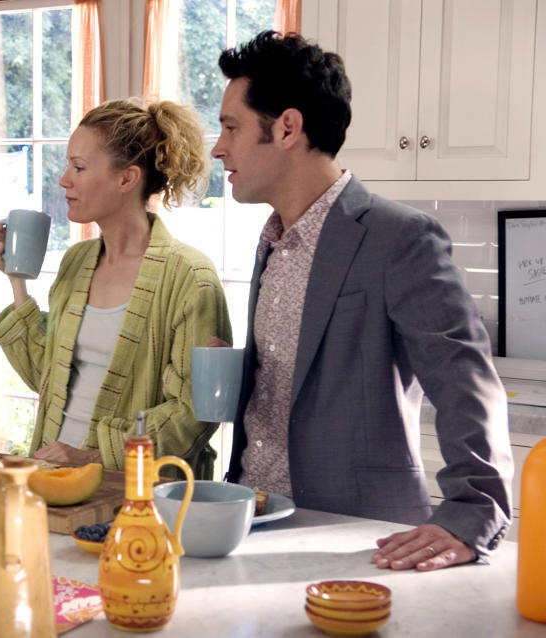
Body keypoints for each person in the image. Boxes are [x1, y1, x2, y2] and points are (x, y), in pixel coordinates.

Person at [211, 31, 512, 571]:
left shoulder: (401, 237)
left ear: (287, 128)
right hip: (255, 524)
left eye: (230, 126)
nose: (218, 147)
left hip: (360, 538)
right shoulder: (271, 239)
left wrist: (474, 511)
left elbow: (467, 384)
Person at [0, 98, 231, 479]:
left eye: (79, 167)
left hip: (137, 492)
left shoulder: (190, 278)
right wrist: (15, 279)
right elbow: (48, 379)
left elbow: (194, 413)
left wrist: (93, 458)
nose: (64, 179)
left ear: (126, 178)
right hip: (53, 476)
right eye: (68, 164)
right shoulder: (77, 261)